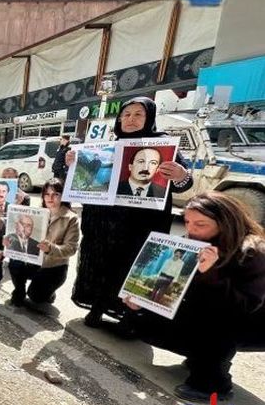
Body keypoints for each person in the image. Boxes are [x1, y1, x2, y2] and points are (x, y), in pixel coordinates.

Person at [67, 97, 193, 331]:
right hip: (105, 226)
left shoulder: (162, 145)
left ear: (150, 119)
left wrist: (180, 174)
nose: (131, 119)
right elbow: (85, 180)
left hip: (140, 226)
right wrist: (74, 163)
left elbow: (182, 183)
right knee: (102, 264)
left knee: (136, 265)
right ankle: (98, 306)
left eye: (138, 114)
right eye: (126, 115)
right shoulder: (108, 145)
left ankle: (130, 316)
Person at [125, 192, 265, 401]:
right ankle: (203, 357)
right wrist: (142, 302)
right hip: (215, 308)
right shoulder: (192, 242)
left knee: (216, 322)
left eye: (200, 224)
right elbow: (178, 289)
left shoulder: (252, 251)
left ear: (225, 223)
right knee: (146, 320)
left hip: (252, 322)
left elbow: (245, 307)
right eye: (188, 222)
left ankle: (214, 383)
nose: (191, 229)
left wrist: (211, 273)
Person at [5, 179, 80, 307]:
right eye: (47, 194)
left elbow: (71, 249)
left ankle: (49, 292)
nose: (50, 198)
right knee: (15, 261)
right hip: (34, 261)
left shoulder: (71, 218)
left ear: (63, 196)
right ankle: (19, 291)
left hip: (54, 267)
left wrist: (51, 248)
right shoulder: (38, 213)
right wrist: (10, 242)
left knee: (36, 297)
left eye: (55, 194)